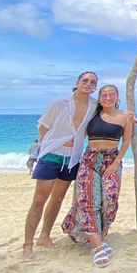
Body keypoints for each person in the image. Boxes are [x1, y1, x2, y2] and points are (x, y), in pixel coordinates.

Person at [23, 71, 99, 259]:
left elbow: (110, 112)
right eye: (85, 80)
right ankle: (27, 244)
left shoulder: (94, 105)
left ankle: (45, 236)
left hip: (72, 157)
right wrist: (50, 145)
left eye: (92, 82)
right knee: (40, 199)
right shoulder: (60, 103)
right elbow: (43, 127)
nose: (88, 84)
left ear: (95, 86)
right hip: (52, 154)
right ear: (77, 82)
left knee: (57, 199)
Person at [62, 84, 132, 268]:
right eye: (104, 95)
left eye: (111, 95)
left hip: (112, 160)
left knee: (110, 201)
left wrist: (116, 163)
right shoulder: (92, 113)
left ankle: (100, 238)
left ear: (117, 97)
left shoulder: (125, 116)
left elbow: (126, 140)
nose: (107, 98)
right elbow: (76, 128)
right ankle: (98, 248)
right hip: (90, 159)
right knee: (89, 201)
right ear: (99, 98)